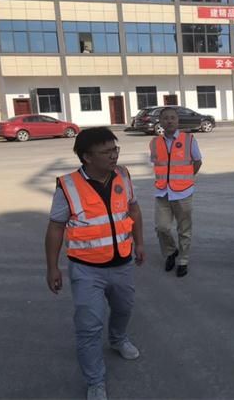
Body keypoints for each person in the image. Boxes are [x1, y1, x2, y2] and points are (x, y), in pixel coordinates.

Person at [45, 127, 145, 400]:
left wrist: (139, 243)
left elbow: (134, 209)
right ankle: (95, 381)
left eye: (115, 150)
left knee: (124, 309)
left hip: (122, 263)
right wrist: (52, 267)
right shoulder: (67, 186)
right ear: (87, 157)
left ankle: (118, 339)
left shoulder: (123, 175)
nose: (113, 156)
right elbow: (56, 227)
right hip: (86, 268)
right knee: (89, 325)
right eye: (106, 152)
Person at [150, 107, 202, 277]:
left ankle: (183, 260)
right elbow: (157, 165)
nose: (169, 121)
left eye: (173, 118)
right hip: (162, 192)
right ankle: (171, 251)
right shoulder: (154, 142)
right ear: (160, 121)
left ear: (178, 120)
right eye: (165, 118)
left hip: (183, 192)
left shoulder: (189, 139)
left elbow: (197, 161)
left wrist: (186, 179)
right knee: (162, 227)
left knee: (184, 229)